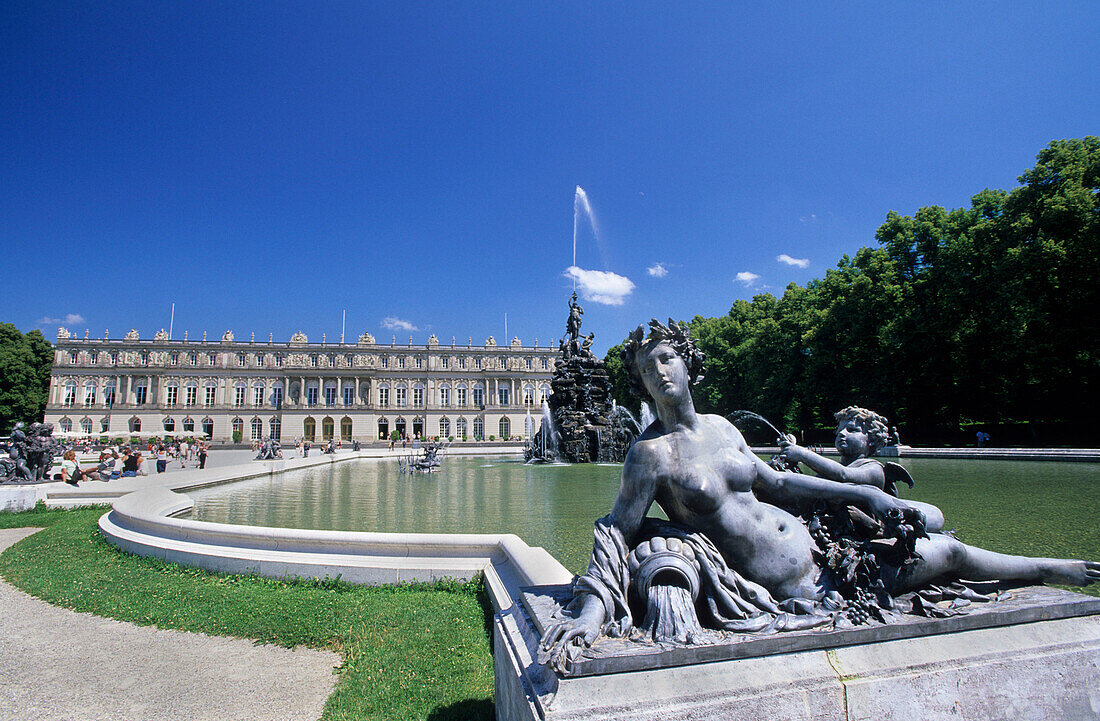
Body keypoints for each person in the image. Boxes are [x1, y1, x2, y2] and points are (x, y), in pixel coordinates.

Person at [540, 319, 1099, 668]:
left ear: (688, 365)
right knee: (942, 557)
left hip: (828, 553)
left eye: (667, 358)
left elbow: (779, 483)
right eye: (645, 368)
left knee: (947, 550)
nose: (658, 372)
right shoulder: (649, 454)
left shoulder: (726, 430)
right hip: (791, 588)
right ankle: (1047, 567)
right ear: (639, 383)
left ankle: (1049, 567)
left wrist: (865, 497)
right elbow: (617, 530)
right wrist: (592, 609)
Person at [777, 407, 944, 531]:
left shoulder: (873, 468)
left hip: (858, 532)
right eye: (839, 430)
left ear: (871, 439)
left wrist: (804, 455)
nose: (842, 433)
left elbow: (844, 476)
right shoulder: (834, 466)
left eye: (852, 430)